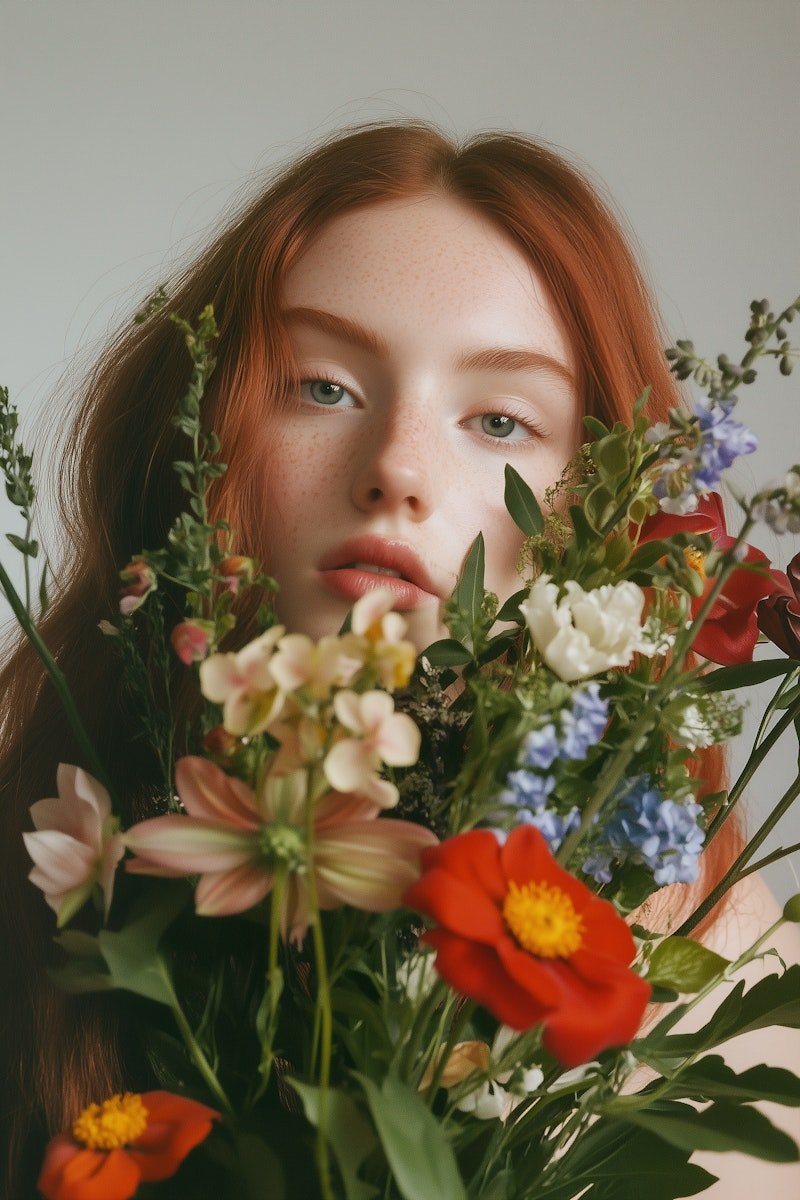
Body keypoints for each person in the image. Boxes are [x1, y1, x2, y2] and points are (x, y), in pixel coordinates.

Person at [1, 120, 798, 1199]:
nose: (397, 470)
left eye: (500, 420)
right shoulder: (31, 846)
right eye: (322, 387)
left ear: (606, 516)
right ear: (193, 443)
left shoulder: (724, 1005)